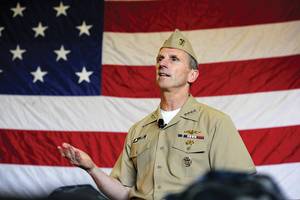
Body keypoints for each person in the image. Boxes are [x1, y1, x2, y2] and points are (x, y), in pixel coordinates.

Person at [58, 29, 256, 200]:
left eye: (174, 59)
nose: (163, 64)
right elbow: (125, 193)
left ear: (192, 75)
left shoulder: (215, 123)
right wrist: (91, 168)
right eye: (160, 59)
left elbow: (243, 187)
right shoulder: (139, 130)